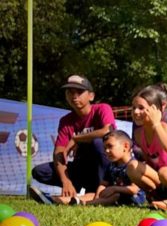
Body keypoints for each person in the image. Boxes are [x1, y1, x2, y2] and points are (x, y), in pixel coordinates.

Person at [29, 75, 115, 203]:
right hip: (81, 168)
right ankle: (78, 193)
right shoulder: (65, 121)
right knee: (40, 171)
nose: (74, 96)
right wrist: (66, 181)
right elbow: (59, 153)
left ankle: (103, 190)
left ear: (91, 96)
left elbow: (108, 131)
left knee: (98, 143)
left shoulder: (102, 109)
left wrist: (76, 139)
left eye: (79, 92)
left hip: (104, 170)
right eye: (70, 92)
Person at [54, 129, 145, 206]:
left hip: (132, 198)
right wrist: (98, 194)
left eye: (110, 146)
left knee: (115, 195)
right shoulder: (112, 165)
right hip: (114, 193)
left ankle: (86, 203)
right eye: (105, 148)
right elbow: (103, 184)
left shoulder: (134, 165)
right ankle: (60, 200)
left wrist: (114, 188)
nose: (106, 151)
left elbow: (134, 189)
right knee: (92, 194)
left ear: (126, 146)